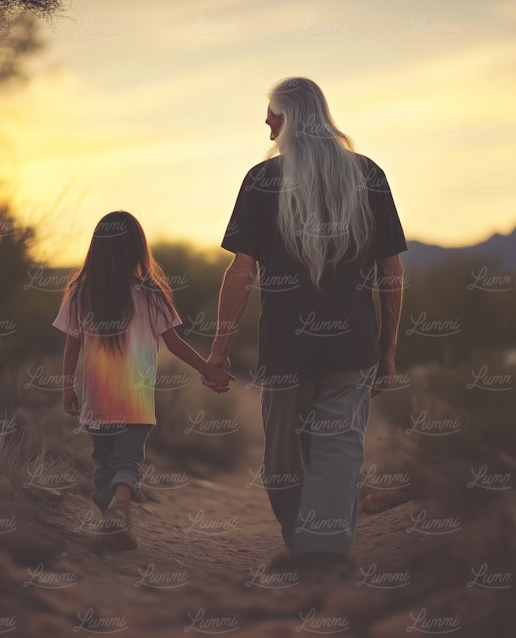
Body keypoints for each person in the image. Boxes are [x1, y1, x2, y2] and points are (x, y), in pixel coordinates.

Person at [203, 77, 406, 570]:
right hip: (345, 346)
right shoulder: (364, 175)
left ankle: (318, 552)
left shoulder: (264, 179)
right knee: (316, 457)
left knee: (297, 460)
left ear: (289, 117)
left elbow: (242, 272)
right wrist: (384, 348)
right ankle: (313, 548)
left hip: (290, 349)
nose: (266, 121)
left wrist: (219, 348)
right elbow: (392, 272)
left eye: (271, 112)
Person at [53, 211, 233, 550]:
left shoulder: (79, 293)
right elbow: (175, 343)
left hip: (97, 402)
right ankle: (120, 509)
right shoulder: (150, 294)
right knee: (128, 461)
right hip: (135, 402)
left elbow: (71, 345)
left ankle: (112, 514)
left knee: (103, 463)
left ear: (97, 249)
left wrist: (67, 387)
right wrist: (208, 369)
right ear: (137, 249)